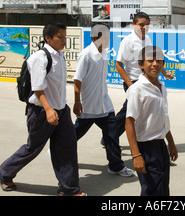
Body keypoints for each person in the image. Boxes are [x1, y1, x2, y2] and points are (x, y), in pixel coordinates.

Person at [0, 21, 84, 196]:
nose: (64, 41)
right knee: (33, 148)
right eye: (60, 37)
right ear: (48, 38)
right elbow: (38, 87)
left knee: (67, 148)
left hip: (61, 110)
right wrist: (49, 110)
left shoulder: (59, 55)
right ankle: (5, 172)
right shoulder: (39, 58)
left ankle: (69, 189)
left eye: (65, 37)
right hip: (42, 113)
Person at [73, 23, 133, 177]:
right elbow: (77, 80)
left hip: (105, 104)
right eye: (103, 36)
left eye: (108, 36)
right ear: (94, 37)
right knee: (74, 135)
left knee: (112, 135)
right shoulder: (86, 55)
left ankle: (115, 165)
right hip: (88, 105)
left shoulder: (104, 52)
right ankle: (58, 150)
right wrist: (77, 101)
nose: (107, 39)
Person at [125, 46, 178, 196]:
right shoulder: (137, 90)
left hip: (160, 145)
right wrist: (136, 155)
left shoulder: (161, 87)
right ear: (141, 64)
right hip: (145, 147)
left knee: (162, 187)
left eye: (159, 61)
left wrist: (171, 143)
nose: (155, 64)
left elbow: (162, 119)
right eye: (150, 60)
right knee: (151, 189)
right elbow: (129, 123)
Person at [114, 12, 173, 139]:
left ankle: (112, 135)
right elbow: (118, 66)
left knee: (132, 112)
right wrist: (130, 85)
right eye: (141, 25)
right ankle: (112, 136)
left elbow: (152, 60)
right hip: (133, 81)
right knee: (130, 112)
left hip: (146, 80)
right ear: (133, 24)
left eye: (147, 25)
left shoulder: (148, 39)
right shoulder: (127, 41)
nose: (144, 28)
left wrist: (164, 72)